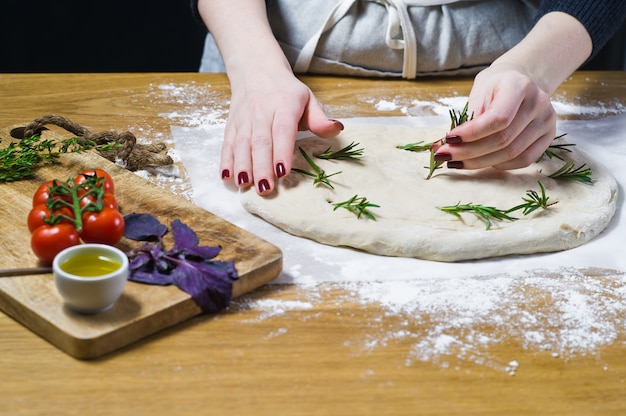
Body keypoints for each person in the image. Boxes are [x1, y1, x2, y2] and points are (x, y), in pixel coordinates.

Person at [193, 0, 626, 195]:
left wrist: (534, 68)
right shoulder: (257, 62)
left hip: (526, 43)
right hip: (262, 43)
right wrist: (256, 71)